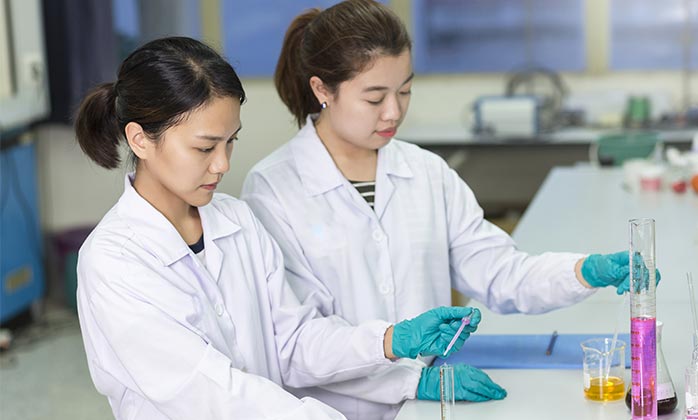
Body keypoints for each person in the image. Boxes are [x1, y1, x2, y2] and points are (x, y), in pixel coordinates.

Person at [241, 1, 662, 419]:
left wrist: (584, 271)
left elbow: (498, 273)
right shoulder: (274, 189)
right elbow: (295, 343)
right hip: (338, 411)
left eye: (404, 91)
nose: (394, 112)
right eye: (375, 98)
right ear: (321, 90)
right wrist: (398, 355)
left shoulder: (425, 171)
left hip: (431, 406)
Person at [74, 36, 481, 420]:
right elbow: (207, 392)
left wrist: (390, 341)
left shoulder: (237, 221)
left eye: (230, 142)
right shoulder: (113, 260)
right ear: (140, 140)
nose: (222, 164)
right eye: (204, 147)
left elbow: (292, 342)